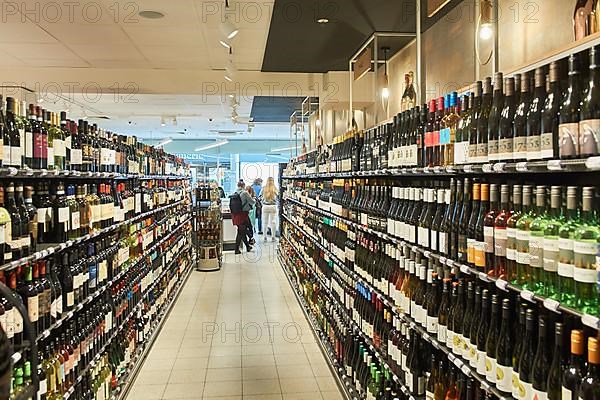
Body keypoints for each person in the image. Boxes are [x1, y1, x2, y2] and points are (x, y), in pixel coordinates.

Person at [230, 181, 255, 254]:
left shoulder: (235, 192)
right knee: (241, 232)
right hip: (243, 215)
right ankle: (236, 249)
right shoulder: (245, 193)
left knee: (242, 231)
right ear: (243, 185)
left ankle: (247, 246)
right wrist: (254, 200)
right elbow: (252, 202)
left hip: (235, 215)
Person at [260, 177, 278, 242]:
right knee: (273, 222)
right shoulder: (275, 189)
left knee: (265, 222)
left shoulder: (264, 188)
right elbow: (278, 197)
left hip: (265, 206)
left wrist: (263, 201)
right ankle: (273, 237)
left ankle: (265, 237)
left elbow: (259, 197)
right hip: (273, 206)